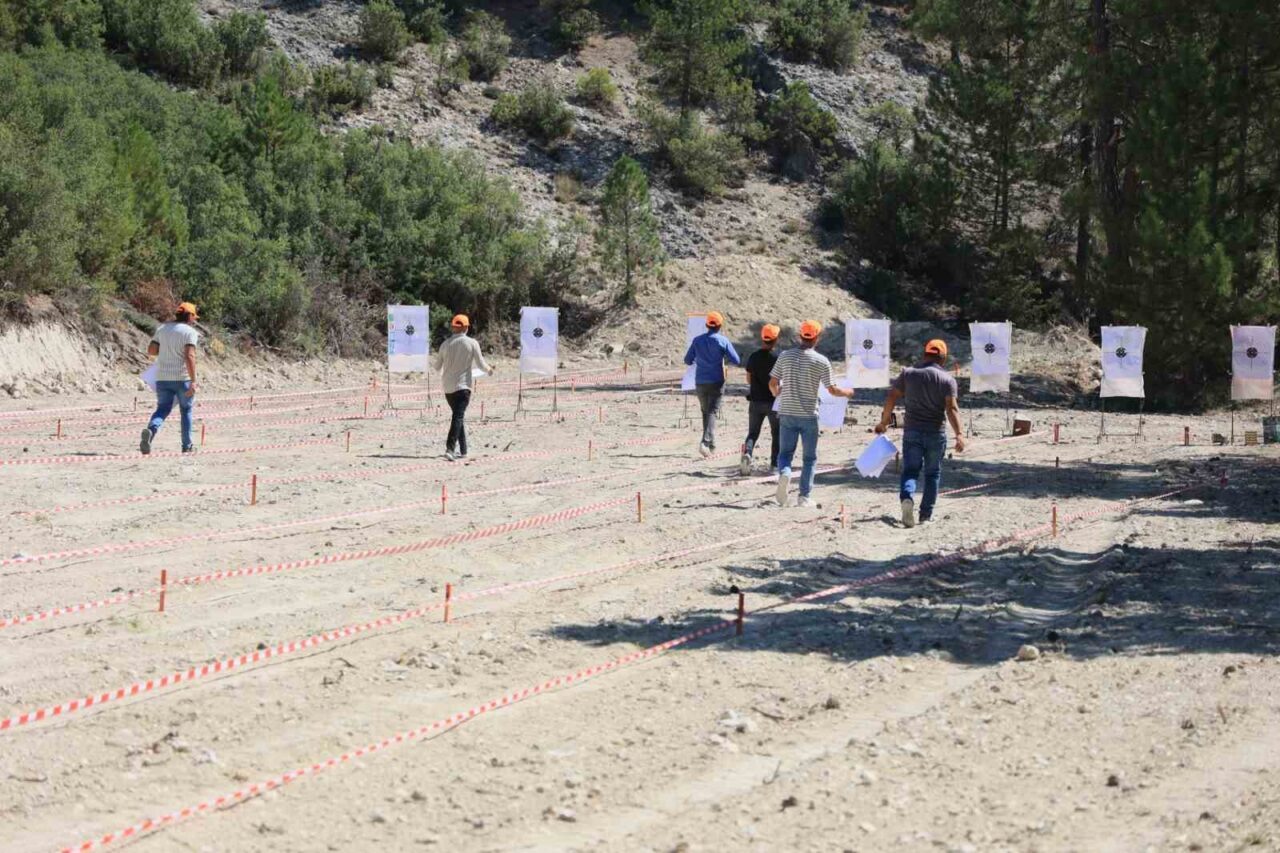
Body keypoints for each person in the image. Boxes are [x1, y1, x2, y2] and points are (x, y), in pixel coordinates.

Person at [875, 338, 966, 528]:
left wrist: (884, 423)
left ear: (925, 354)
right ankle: (926, 515)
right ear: (943, 358)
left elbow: (891, 396)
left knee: (910, 470)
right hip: (935, 432)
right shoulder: (948, 380)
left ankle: (907, 498)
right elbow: (952, 409)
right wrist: (959, 434)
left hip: (912, 432)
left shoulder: (908, 374)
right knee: (932, 474)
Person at [768, 321, 854, 507]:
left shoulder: (785, 356)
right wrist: (847, 393)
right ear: (817, 337)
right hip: (808, 414)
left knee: (785, 454)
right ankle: (804, 496)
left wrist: (778, 394)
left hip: (787, 412)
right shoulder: (821, 361)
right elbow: (832, 390)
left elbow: (773, 383)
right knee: (809, 458)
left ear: (800, 336)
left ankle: (785, 473)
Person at [140, 302, 199, 456]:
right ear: (190, 316)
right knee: (186, 410)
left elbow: (151, 350)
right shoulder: (190, 332)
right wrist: (193, 380)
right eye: (194, 316)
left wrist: (167, 348)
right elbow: (189, 355)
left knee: (162, 409)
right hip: (182, 378)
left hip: (162, 377)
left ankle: (151, 431)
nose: (194, 320)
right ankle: (187, 446)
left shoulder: (162, 329)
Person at [683, 311, 741, 457]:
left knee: (706, 412)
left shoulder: (697, 340)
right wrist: (723, 359)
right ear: (720, 325)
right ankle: (705, 441)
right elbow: (736, 360)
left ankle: (711, 445)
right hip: (716, 381)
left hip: (700, 381)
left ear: (707, 325)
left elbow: (687, 360)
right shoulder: (723, 341)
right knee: (712, 411)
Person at [437, 314, 493, 461]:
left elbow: (437, 367)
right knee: (458, 416)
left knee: (458, 416)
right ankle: (450, 448)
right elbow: (481, 364)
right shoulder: (472, 343)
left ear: (453, 327)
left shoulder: (444, 344)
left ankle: (463, 450)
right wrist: (489, 370)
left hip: (448, 388)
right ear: (466, 327)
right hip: (463, 387)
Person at [741, 324, 781, 475]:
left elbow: (749, 379)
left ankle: (748, 454)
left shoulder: (754, 356)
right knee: (777, 433)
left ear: (762, 338)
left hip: (756, 401)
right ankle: (774, 465)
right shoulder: (778, 358)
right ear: (776, 339)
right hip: (773, 402)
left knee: (752, 433)